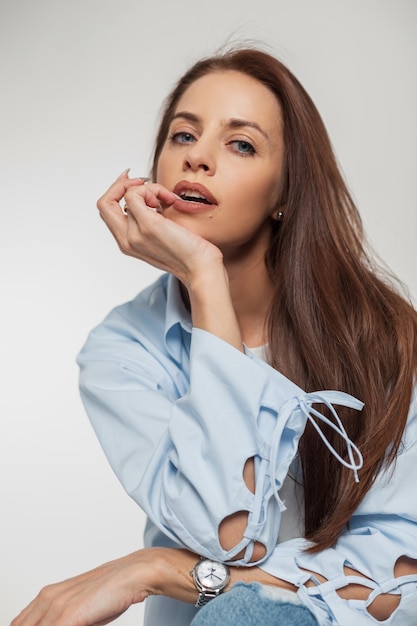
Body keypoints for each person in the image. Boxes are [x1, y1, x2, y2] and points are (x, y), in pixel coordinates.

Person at [12, 46, 417, 626]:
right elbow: (232, 537)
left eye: (241, 144)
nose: (197, 159)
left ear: (284, 194)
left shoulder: (386, 336)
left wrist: (152, 570)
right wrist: (206, 279)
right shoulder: (123, 350)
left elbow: (399, 582)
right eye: (182, 136)